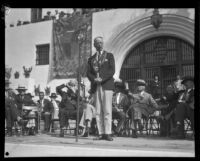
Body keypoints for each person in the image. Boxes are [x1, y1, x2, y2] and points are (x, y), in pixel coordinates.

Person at [87, 36, 115, 141]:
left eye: (101, 42)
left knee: (107, 110)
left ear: (103, 44)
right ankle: (100, 132)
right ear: (94, 45)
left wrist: (102, 79)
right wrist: (95, 79)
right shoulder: (91, 59)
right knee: (98, 111)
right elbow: (88, 73)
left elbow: (112, 70)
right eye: (97, 43)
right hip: (96, 86)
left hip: (107, 85)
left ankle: (107, 133)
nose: (99, 44)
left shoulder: (109, 56)